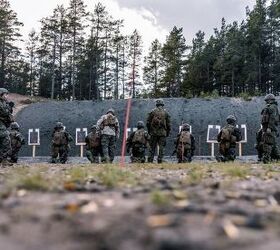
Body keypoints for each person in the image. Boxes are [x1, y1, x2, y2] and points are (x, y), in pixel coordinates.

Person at [146, 99, 171, 163]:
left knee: (152, 147)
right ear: (162, 104)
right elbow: (169, 124)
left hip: (153, 133)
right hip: (163, 133)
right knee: (161, 147)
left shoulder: (152, 112)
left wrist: (149, 131)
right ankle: (160, 160)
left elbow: (148, 122)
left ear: (156, 104)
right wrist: (167, 132)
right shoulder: (166, 113)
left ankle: (150, 160)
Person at [260, 94, 280, 163]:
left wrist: (269, 128)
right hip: (269, 129)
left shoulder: (272, 107)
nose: (266, 102)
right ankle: (278, 158)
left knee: (267, 144)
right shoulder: (272, 107)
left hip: (269, 129)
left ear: (270, 100)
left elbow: (272, 118)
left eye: (267, 100)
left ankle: (266, 159)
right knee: (273, 145)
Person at [0, 88, 14, 166]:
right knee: (6, 139)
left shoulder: (4, 102)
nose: (7, 96)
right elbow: (5, 112)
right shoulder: (1, 103)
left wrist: (10, 107)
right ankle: (4, 161)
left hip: (3, 124)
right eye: (5, 94)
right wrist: (9, 107)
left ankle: (3, 160)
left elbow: (8, 113)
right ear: (1, 95)